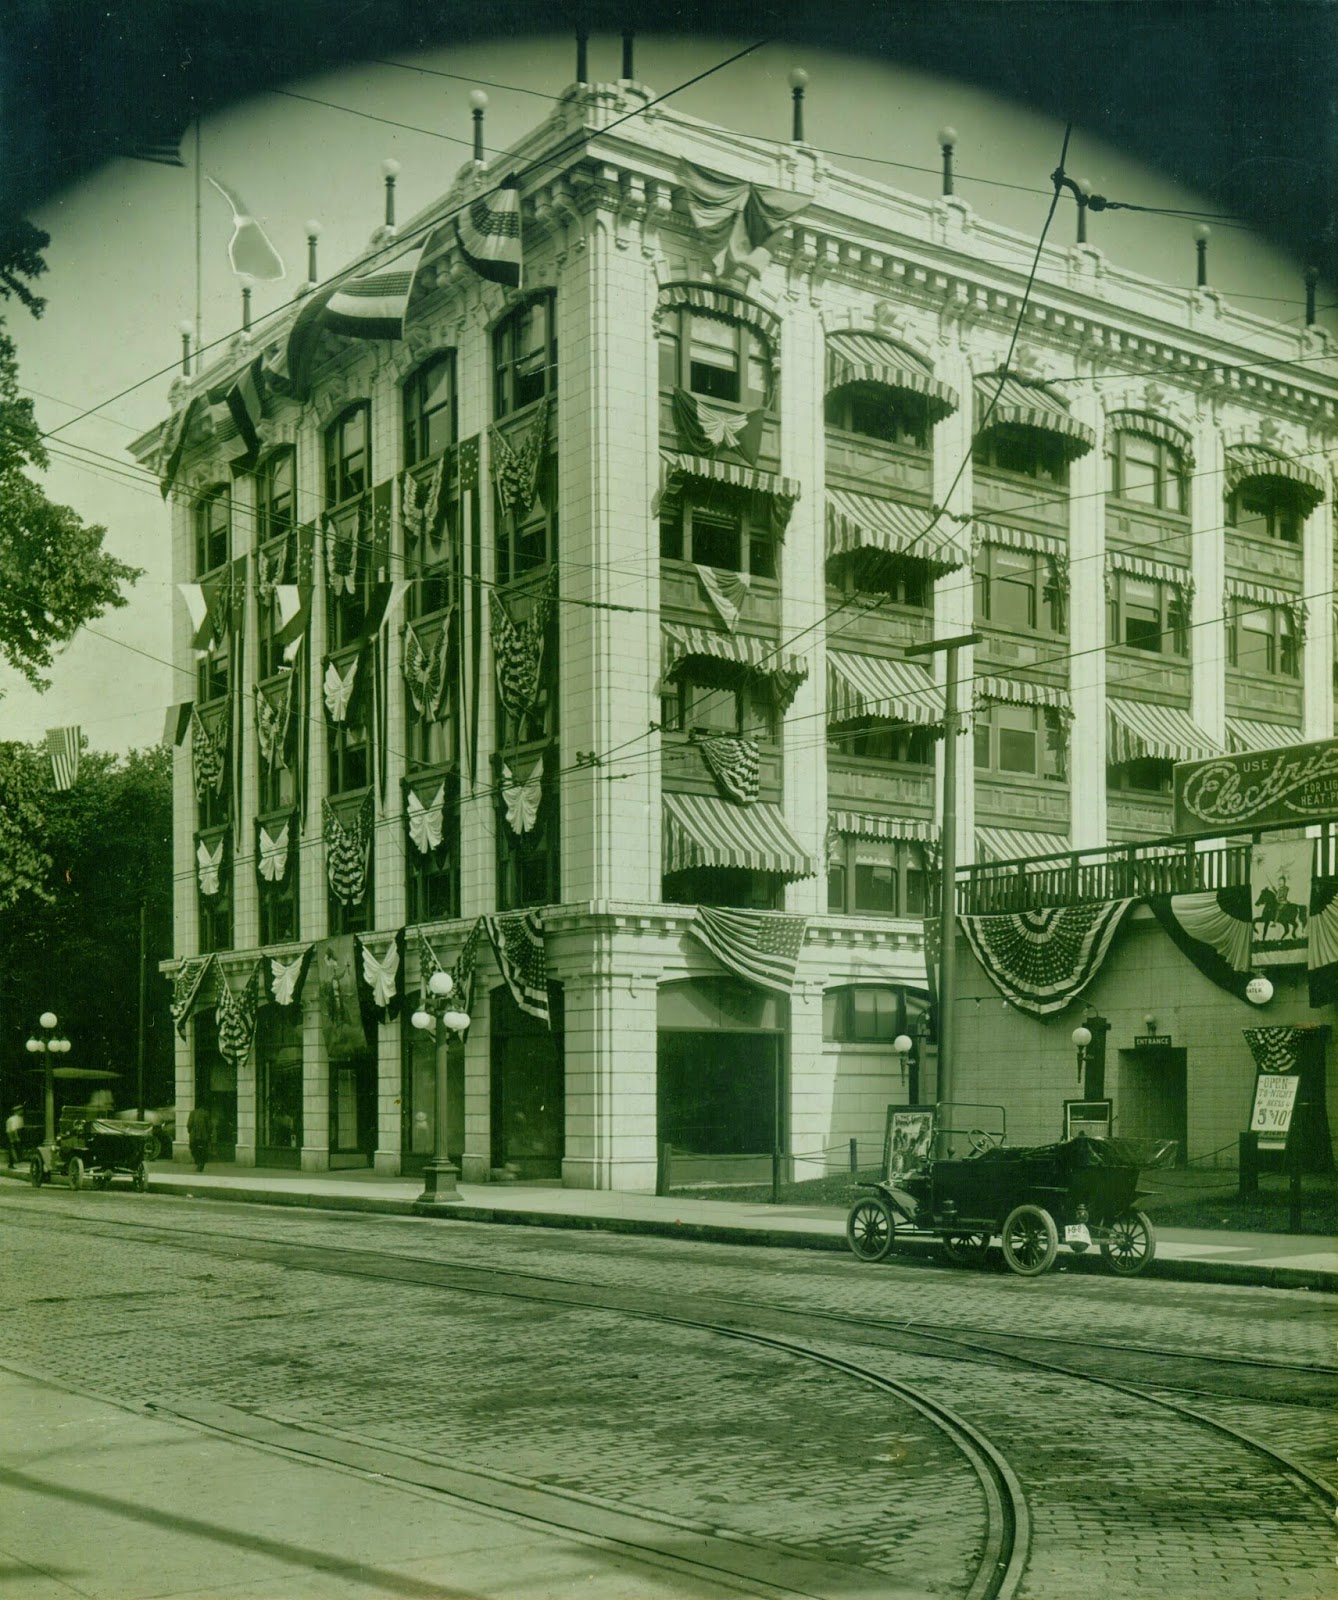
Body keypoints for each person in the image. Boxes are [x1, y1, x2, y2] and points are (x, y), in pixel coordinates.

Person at [186, 1104, 211, 1173]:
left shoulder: (192, 1113)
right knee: (203, 1150)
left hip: (194, 1136)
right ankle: (201, 1163)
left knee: (193, 1149)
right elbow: (209, 1126)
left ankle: (198, 1162)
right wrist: (208, 1134)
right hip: (203, 1137)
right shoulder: (206, 1113)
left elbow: (189, 1125)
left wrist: (190, 1132)